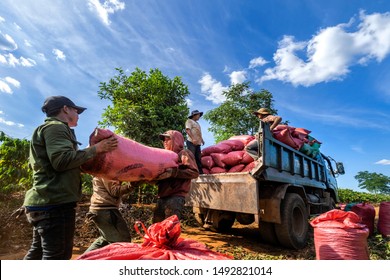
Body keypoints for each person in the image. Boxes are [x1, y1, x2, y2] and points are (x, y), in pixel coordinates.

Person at [23, 95, 118, 260]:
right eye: (76, 110)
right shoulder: (56, 127)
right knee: (57, 257)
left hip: (44, 203)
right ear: (65, 109)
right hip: (54, 204)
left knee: (38, 253)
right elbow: (61, 161)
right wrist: (97, 149)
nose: (78, 114)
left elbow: (58, 165)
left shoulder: (48, 129)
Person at [152, 130, 199, 223]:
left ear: (176, 140)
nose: (165, 141)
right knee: (156, 225)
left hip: (175, 197)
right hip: (162, 196)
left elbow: (194, 172)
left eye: (168, 139)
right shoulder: (164, 158)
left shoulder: (183, 153)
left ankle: (170, 238)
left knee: (169, 227)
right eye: (164, 140)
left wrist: (175, 173)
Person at [84, 177, 134, 253]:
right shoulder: (106, 174)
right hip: (106, 210)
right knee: (122, 240)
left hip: (100, 209)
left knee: (105, 238)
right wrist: (131, 185)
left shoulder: (101, 172)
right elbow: (115, 191)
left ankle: (84, 258)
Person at [185, 110, 205, 174]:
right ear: (194, 115)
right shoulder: (189, 121)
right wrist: (193, 139)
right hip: (191, 142)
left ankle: (200, 172)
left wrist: (201, 139)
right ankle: (191, 171)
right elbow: (188, 130)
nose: (199, 117)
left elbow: (198, 132)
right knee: (192, 156)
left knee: (198, 157)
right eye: (198, 115)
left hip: (197, 143)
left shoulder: (197, 124)